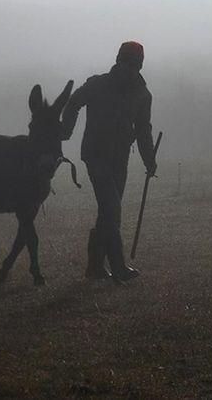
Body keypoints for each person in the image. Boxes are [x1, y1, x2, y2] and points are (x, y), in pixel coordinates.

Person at [61, 41, 157, 282]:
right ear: (118, 60)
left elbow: (143, 129)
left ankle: (94, 267)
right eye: (126, 62)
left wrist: (149, 159)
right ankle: (117, 265)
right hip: (95, 155)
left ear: (140, 65)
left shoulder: (143, 94)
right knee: (112, 209)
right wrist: (66, 130)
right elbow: (73, 103)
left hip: (119, 158)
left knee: (108, 211)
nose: (129, 68)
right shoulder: (97, 84)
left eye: (134, 64)